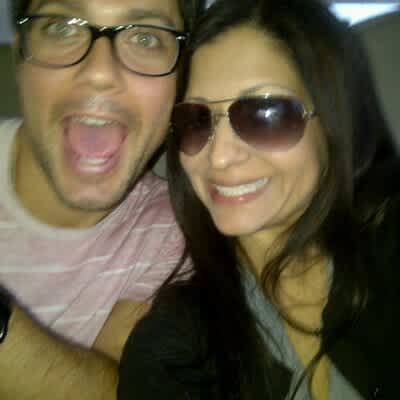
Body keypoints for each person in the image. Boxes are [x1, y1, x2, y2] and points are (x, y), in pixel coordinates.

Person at [118, 0, 399, 399]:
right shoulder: (175, 345)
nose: (218, 156)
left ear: (335, 120)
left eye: (265, 113)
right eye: (197, 120)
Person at [0, 0, 204, 399]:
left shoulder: (175, 237)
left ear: (180, 81)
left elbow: (119, 390)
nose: (99, 73)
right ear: (19, 56)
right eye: (62, 27)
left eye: (146, 37)